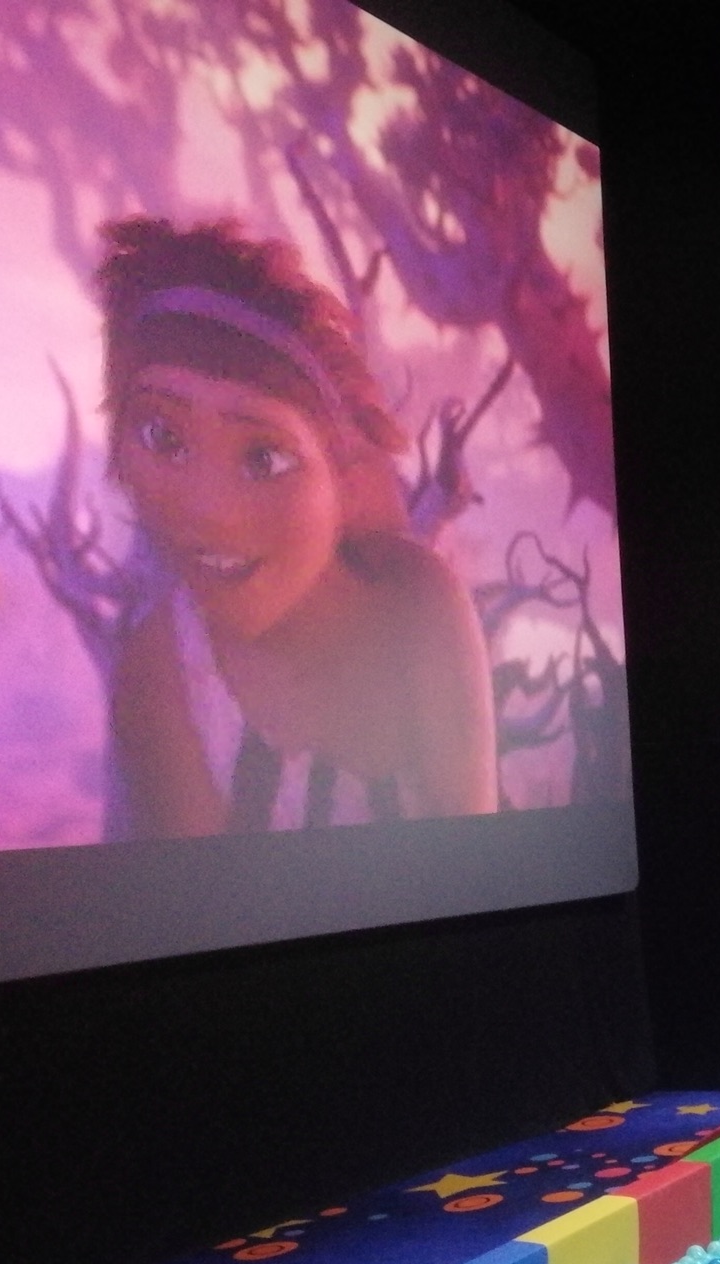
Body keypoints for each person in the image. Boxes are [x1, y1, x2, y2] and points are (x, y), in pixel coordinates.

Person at [99, 216, 496, 837]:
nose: (207, 508)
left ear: (343, 477)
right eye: (161, 435)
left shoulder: (415, 597)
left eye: (264, 457)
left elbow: (477, 861)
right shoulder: (159, 674)